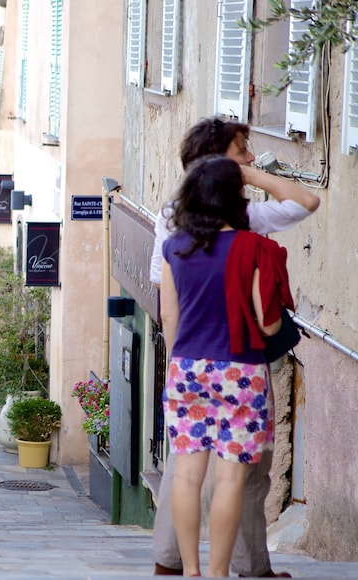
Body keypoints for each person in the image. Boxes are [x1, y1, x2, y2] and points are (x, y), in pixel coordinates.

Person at [149, 117, 318, 578]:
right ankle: (220, 573)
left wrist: (176, 362)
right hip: (239, 369)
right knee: (231, 479)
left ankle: (188, 570)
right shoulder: (251, 247)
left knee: (185, 473)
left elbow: (169, 314)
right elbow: (265, 322)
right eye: (242, 156)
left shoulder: (174, 245)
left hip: (186, 366)